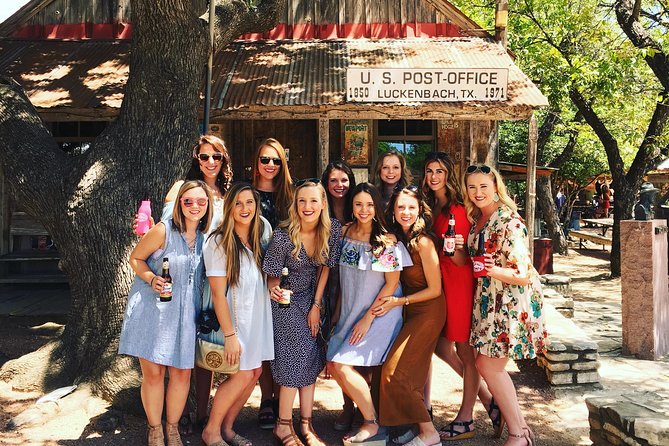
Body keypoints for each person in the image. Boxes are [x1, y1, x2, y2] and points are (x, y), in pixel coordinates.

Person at [119, 180, 214, 446]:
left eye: (201, 201)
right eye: (188, 201)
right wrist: (151, 279)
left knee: (182, 374)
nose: (194, 206)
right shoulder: (163, 230)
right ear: (179, 203)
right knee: (154, 374)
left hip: (186, 316)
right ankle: (154, 429)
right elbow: (136, 258)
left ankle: (172, 428)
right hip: (153, 311)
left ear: (208, 205)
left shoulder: (207, 237)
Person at [463, 164, 548, 446]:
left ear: (496, 187)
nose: (477, 192)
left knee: (488, 366)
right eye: (472, 187)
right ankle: (521, 429)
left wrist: (491, 270)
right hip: (489, 301)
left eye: (483, 186)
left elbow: (523, 273)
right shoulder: (479, 219)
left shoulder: (509, 221)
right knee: (486, 364)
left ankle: (518, 435)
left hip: (508, 303)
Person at [421, 152, 498, 441]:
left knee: (466, 353)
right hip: (438, 285)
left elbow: (462, 259)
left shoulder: (457, 208)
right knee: (442, 348)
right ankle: (489, 400)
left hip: (458, 285)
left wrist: (452, 248)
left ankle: (466, 418)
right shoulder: (430, 205)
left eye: (439, 171)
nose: (434, 176)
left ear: (448, 174)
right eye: (429, 171)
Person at [327, 183, 411, 444]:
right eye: (358, 204)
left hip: (379, 313)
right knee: (331, 362)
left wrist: (367, 319)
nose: (364, 210)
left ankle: (371, 423)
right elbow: (343, 280)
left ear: (378, 207)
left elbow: (390, 285)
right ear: (352, 206)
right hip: (350, 311)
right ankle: (366, 414)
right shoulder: (344, 233)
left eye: (370, 205)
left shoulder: (385, 241)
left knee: (340, 365)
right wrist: (337, 314)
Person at [262, 181, 342, 446]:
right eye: (302, 201)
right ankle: (283, 424)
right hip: (285, 301)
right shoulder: (283, 236)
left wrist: (316, 306)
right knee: (293, 358)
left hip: (311, 299)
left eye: (313, 201)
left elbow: (325, 268)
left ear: (323, 204)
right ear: (295, 205)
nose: (307, 207)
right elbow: (272, 276)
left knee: (310, 356)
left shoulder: (332, 230)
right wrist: (275, 289)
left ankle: (306, 424)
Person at [201, 183, 274, 446]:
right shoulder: (218, 242)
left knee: (254, 373)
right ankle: (211, 431)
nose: (245, 209)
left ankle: (228, 429)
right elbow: (218, 293)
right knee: (241, 374)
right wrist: (230, 335)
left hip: (257, 317)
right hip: (234, 320)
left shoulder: (260, 234)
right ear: (230, 207)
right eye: (239, 203)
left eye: (250, 202)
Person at [376, 186, 445, 446]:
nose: (406, 212)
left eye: (411, 207)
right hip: (408, 310)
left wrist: (399, 301)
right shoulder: (396, 239)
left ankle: (429, 432)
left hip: (429, 311)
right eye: (400, 207)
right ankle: (405, 426)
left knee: (395, 373)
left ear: (420, 211)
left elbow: (435, 289)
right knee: (393, 370)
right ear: (393, 211)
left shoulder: (424, 242)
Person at [252, 137, 294, 428]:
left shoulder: (289, 195)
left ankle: (282, 399)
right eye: (265, 159)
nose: (270, 165)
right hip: (253, 273)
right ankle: (267, 398)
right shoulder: (246, 192)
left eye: (276, 160)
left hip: (285, 275)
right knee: (262, 337)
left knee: (281, 337)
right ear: (256, 162)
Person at [320, 160, 358, 430]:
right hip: (326, 281)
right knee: (333, 342)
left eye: (344, 180)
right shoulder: (320, 209)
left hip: (356, 282)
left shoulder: (359, 207)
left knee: (355, 343)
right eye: (333, 180)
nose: (339, 185)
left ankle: (363, 405)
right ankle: (347, 406)